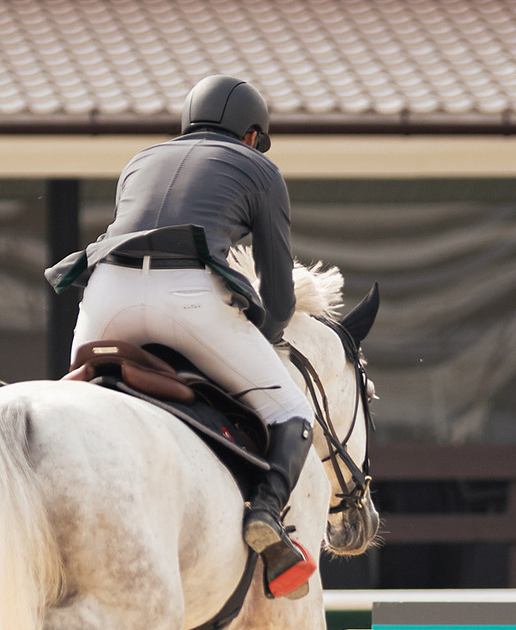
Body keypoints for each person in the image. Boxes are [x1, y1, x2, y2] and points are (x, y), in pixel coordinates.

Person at [43, 74, 317, 598]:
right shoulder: (260, 168)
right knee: (292, 412)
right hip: (190, 296)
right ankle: (266, 515)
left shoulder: (140, 161)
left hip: (106, 293)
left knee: (65, 410)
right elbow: (280, 295)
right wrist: (263, 337)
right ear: (252, 135)